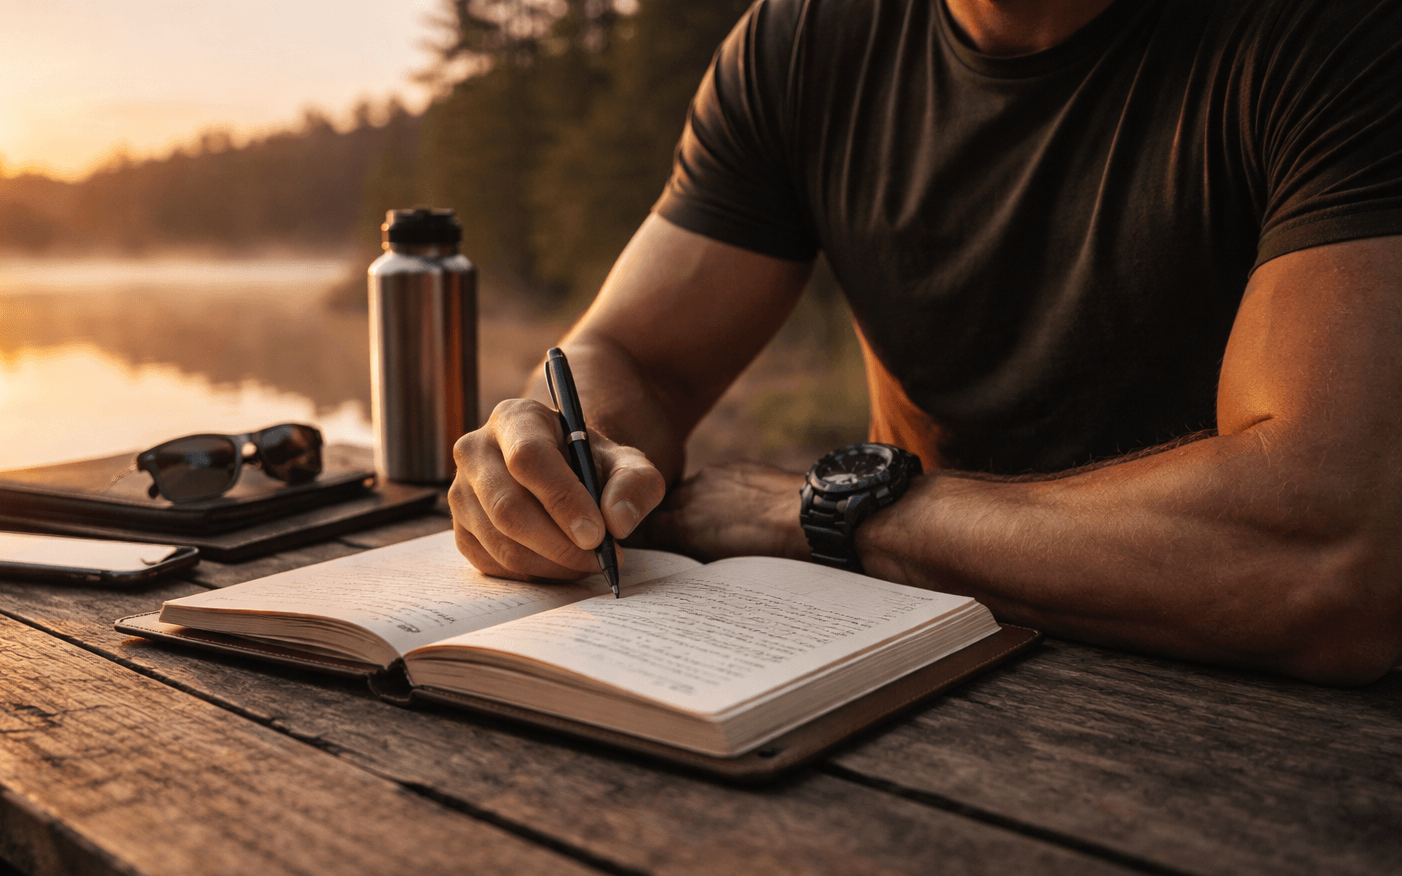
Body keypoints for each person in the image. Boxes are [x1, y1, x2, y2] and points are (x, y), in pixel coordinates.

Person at [450, 0, 1402, 686]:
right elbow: (632, 357)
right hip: (905, 670)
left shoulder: (1336, 35)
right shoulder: (804, 42)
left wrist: (832, 514)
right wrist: (566, 461)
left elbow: (1333, 558)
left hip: (1268, 718)